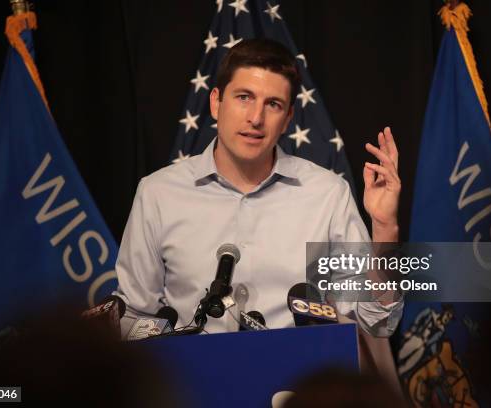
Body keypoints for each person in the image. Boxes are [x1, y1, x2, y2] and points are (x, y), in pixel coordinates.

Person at [114, 38, 403, 336]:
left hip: (295, 380)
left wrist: (385, 228)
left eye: (273, 104)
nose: (256, 118)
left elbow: (377, 322)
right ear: (216, 102)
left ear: (288, 118)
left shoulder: (327, 194)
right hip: (187, 380)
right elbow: (135, 314)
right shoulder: (158, 193)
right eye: (243, 97)